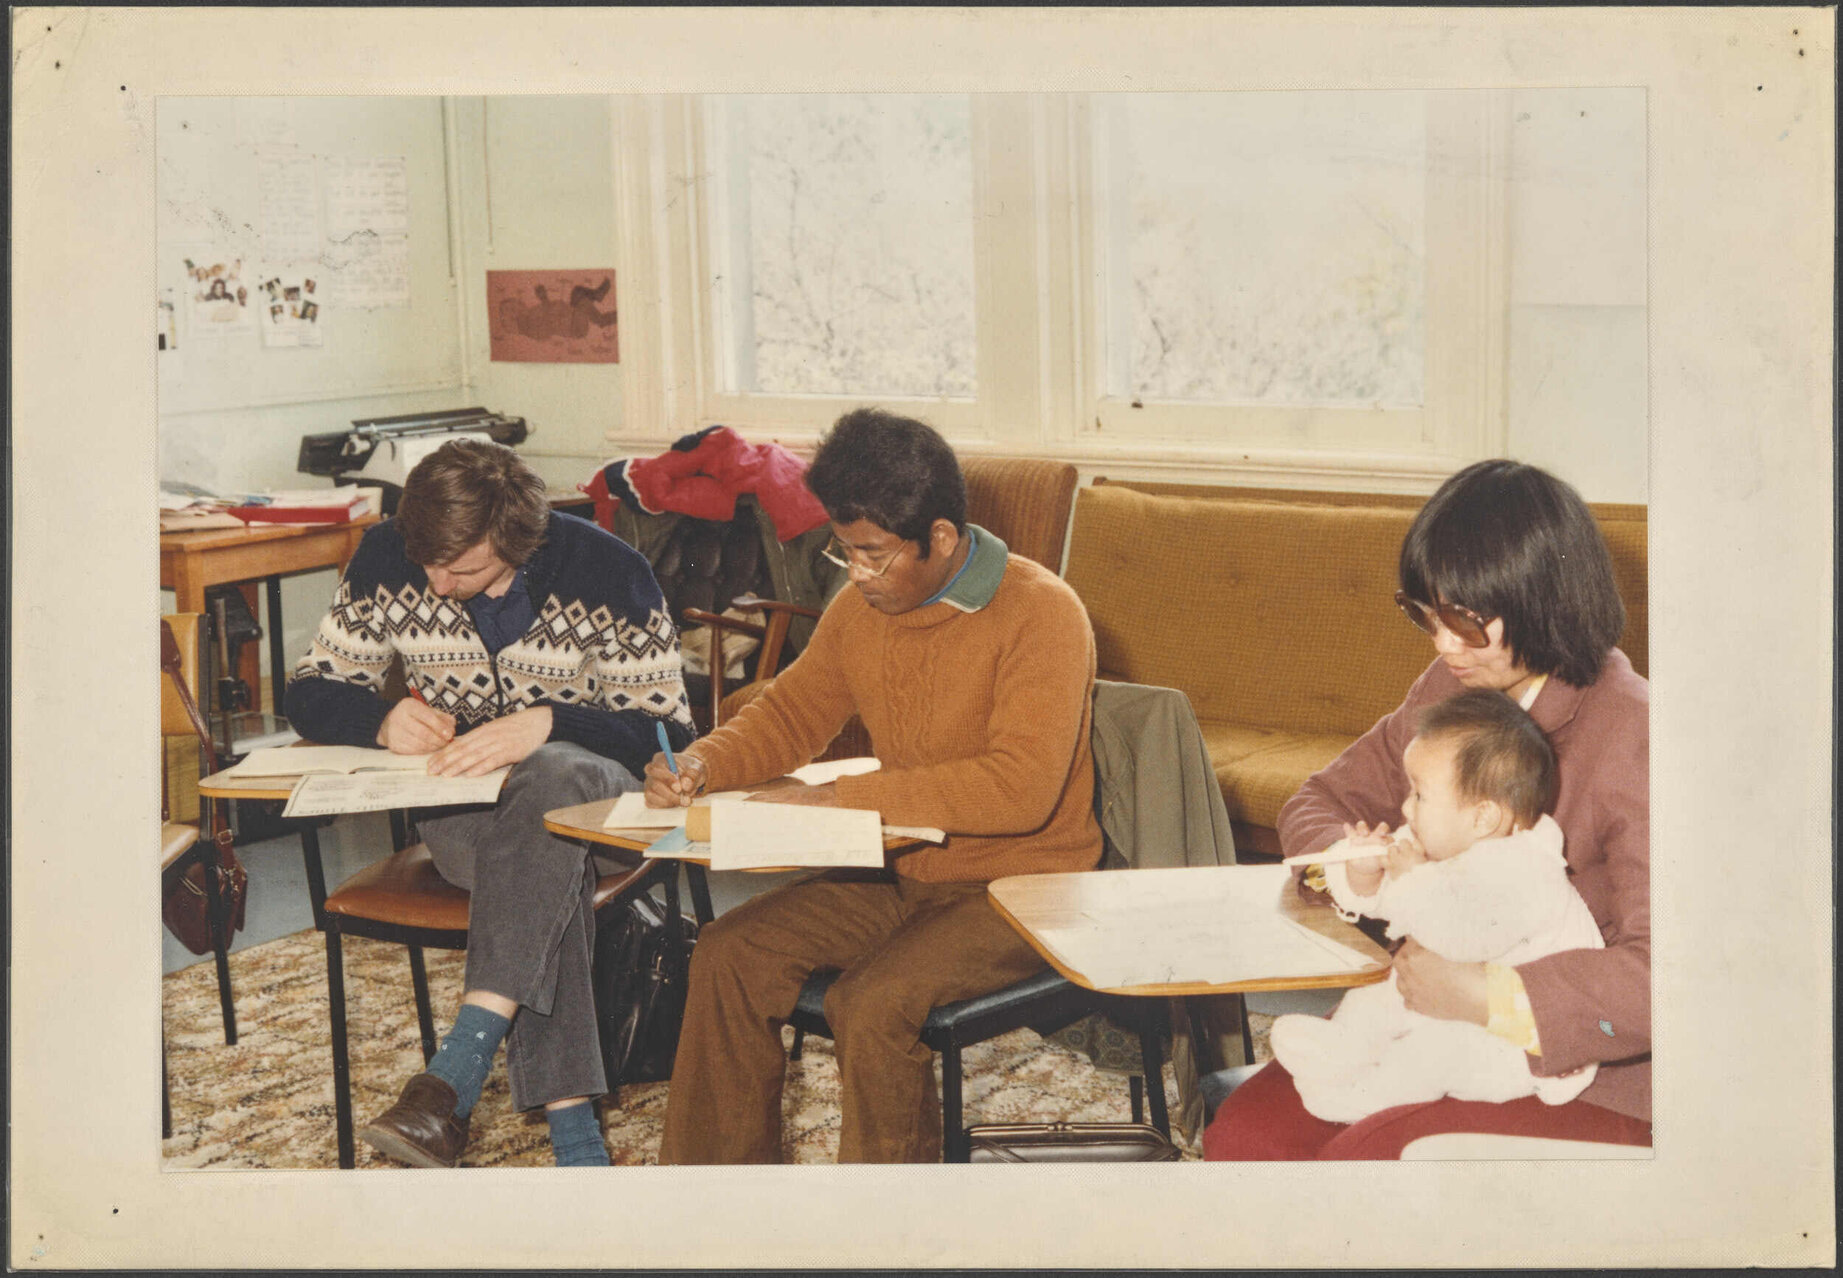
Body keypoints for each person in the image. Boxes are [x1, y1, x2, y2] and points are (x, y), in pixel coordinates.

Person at [643, 408, 1103, 1163]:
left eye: (874, 554)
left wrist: (841, 800)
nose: (855, 573)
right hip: (901, 871)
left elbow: (1020, 788)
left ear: (943, 539)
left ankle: (890, 1232)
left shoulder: (1042, 612)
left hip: (1025, 888)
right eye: (844, 550)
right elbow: (790, 712)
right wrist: (702, 763)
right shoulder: (864, 606)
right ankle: (711, 1208)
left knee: (872, 1002)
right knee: (726, 951)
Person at [1204, 458, 1650, 1160]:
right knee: (1244, 1136)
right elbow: (1318, 802)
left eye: (1466, 622)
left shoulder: (1638, 736)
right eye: (1427, 615)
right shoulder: (1451, 685)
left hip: (1585, 1072)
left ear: (1544, 603)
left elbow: (1671, 975)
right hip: (1423, 1018)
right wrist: (1359, 871)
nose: (1443, 645)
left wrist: (1485, 996)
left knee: (1363, 1161)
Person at [284, 438, 696, 1167]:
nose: (439, 586)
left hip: (602, 809)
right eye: (428, 566)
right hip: (468, 817)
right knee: (541, 867)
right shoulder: (388, 556)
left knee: (556, 775)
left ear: (518, 541)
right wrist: (377, 720)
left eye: (463, 568)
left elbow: (668, 734)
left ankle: (455, 1073)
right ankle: (570, 1129)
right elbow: (312, 689)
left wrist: (550, 720)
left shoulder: (608, 569)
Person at [1269, 688, 1603, 1124]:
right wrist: (1365, 872)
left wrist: (1412, 879)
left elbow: (1462, 940)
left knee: (1437, 1053)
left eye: (1420, 796)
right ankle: (1345, 1048)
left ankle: (1361, 1099)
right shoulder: (1454, 838)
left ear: (1483, 817)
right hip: (1455, 1000)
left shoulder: (1527, 871)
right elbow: (1391, 900)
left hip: (1519, 1044)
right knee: (1375, 995)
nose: (1406, 806)